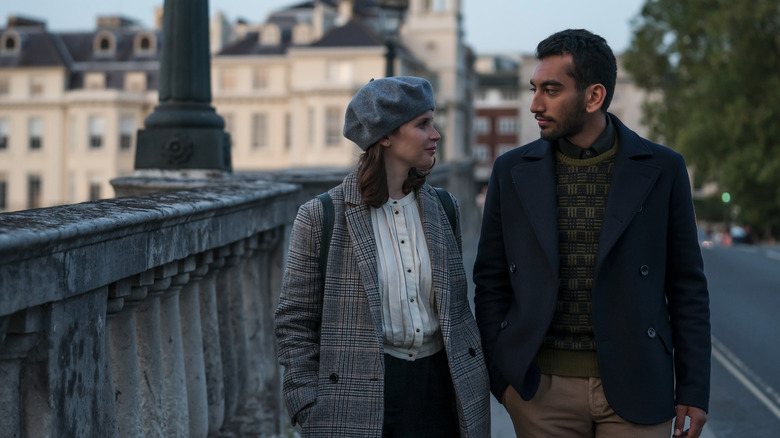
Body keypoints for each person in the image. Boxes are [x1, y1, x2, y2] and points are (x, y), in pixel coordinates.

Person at [473, 29, 711, 438]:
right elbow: (491, 280)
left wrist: (693, 387)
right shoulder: (510, 171)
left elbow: (687, 286)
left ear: (594, 96)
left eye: (551, 90)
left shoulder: (663, 168)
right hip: (539, 393)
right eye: (534, 89)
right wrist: (504, 377)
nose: (535, 104)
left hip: (638, 385)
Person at [275, 76, 490, 438]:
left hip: (442, 392)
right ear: (385, 135)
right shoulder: (321, 216)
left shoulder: (445, 209)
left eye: (432, 122)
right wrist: (306, 405)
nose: (436, 134)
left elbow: (457, 310)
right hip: (356, 401)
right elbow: (294, 322)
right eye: (423, 124)